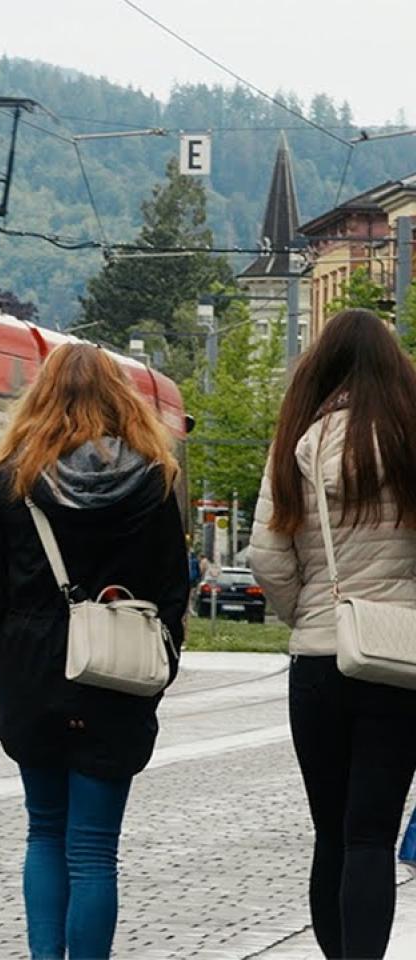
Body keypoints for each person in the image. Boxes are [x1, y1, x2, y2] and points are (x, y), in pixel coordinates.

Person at [0, 343, 188, 960]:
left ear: (41, 398)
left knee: (44, 832)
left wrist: (9, 659)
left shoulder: (12, 478)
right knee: (94, 848)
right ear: (121, 400)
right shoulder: (154, 480)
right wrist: (157, 663)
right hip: (118, 674)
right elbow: (174, 588)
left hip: (34, 668)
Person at [249, 308, 416, 960]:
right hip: (402, 661)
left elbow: (266, 557)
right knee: (370, 834)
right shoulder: (410, 439)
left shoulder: (302, 439)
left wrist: (309, 613)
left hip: (321, 660)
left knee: (330, 831)